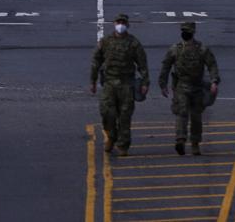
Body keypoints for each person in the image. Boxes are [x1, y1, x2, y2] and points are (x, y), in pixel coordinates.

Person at [90, 13, 149, 157]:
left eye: (123, 22)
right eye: (118, 22)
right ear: (114, 23)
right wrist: (93, 80)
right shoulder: (105, 41)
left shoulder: (134, 43)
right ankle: (111, 136)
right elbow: (96, 61)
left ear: (127, 25)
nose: (121, 24)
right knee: (107, 114)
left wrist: (145, 82)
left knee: (124, 116)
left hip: (126, 85)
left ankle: (123, 145)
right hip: (109, 83)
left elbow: (142, 64)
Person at [158, 21, 220, 157]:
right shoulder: (175, 49)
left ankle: (195, 143)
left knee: (197, 116)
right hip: (181, 86)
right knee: (182, 112)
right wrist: (163, 84)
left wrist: (214, 81)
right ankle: (180, 140)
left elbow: (212, 65)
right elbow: (166, 66)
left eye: (187, 31)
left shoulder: (202, 49)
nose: (185, 33)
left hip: (197, 87)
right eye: (184, 30)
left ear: (192, 33)